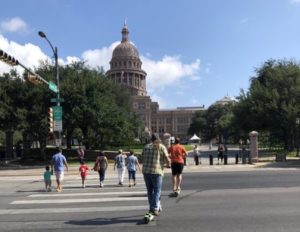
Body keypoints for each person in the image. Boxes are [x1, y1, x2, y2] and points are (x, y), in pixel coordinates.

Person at [142, 133, 171, 217]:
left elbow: (142, 157)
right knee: (157, 190)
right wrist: (168, 164)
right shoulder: (161, 146)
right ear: (158, 138)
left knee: (150, 191)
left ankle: (152, 207)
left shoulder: (146, 147)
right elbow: (167, 159)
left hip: (146, 171)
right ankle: (154, 208)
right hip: (157, 171)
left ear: (151, 139)